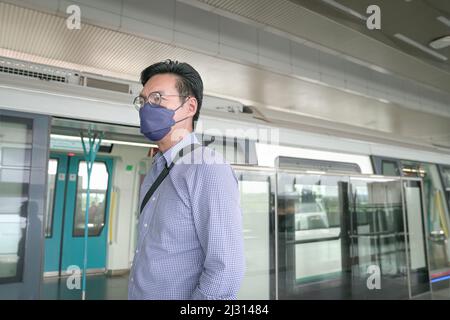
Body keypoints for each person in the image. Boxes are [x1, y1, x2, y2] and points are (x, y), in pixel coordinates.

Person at [128, 59, 245, 300]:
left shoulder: (208, 169)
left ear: (190, 106)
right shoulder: (155, 169)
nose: (146, 107)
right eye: (143, 100)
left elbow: (225, 271)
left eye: (157, 99)